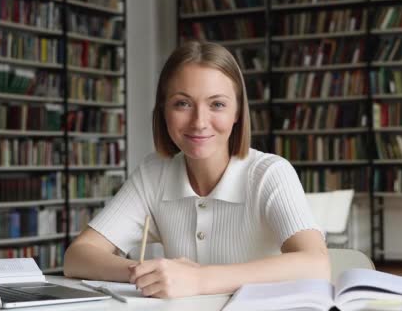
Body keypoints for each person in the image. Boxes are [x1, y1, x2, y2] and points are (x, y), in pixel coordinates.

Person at [64, 41, 330, 298]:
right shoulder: (154, 173)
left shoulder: (269, 173)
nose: (199, 122)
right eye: (183, 103)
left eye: (217, 104)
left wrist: (199, 279)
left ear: (237, 112)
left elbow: (316, 265)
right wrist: (150, 274)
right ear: (164, 110)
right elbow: (78, 256)